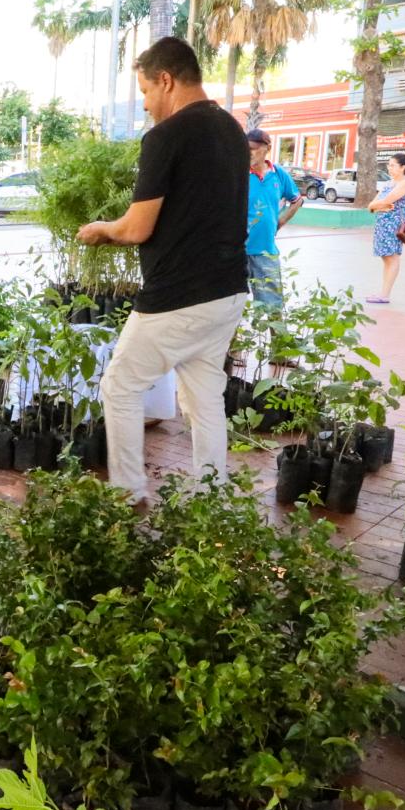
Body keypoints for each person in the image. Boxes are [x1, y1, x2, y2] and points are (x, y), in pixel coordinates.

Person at [75, 35, 249, 504]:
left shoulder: (165, 137)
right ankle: (210, 496)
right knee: (205, 398)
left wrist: (100, 229)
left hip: (178, 296)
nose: (147, 105)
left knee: (121, 385)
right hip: (228, 291)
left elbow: (136, 228)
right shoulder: (232, 130)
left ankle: (127, 493)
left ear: (166, 80)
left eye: (147, 92)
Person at [244, 128, 302, 308]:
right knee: (232, 309)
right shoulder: (238, 173)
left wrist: (280, 222)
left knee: (273, 307)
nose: (249, 152)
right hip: (237, 253)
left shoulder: (278, 174)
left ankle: (277, 337)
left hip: (266, 252)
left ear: (267, 148)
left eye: (253, 148)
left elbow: (297, 200)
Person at [365, 153, 405, 304]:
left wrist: (379, 205)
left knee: (392, 257)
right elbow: (371, 206)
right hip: (382, 225)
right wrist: (377, 206)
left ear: (403, 167)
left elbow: (387, 201)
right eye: (389, 165)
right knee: (385, 257)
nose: (389, 168)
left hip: (394, 226)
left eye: (393, 165)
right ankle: (383, 293)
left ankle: (385, 294)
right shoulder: (389, 183)